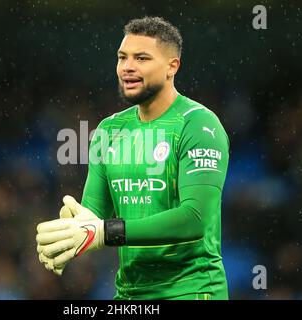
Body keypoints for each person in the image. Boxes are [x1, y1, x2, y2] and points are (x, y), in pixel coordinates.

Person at [36, 16, 230, 300]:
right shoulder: (110, 130)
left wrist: (102, 232)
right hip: (129, 296)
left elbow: (194, 219)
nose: (127, 67)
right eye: (122, 57)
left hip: (193, 291)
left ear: (171, 67)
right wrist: (73, 230)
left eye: (141, 58)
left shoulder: (198, 125)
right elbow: (95, 217)